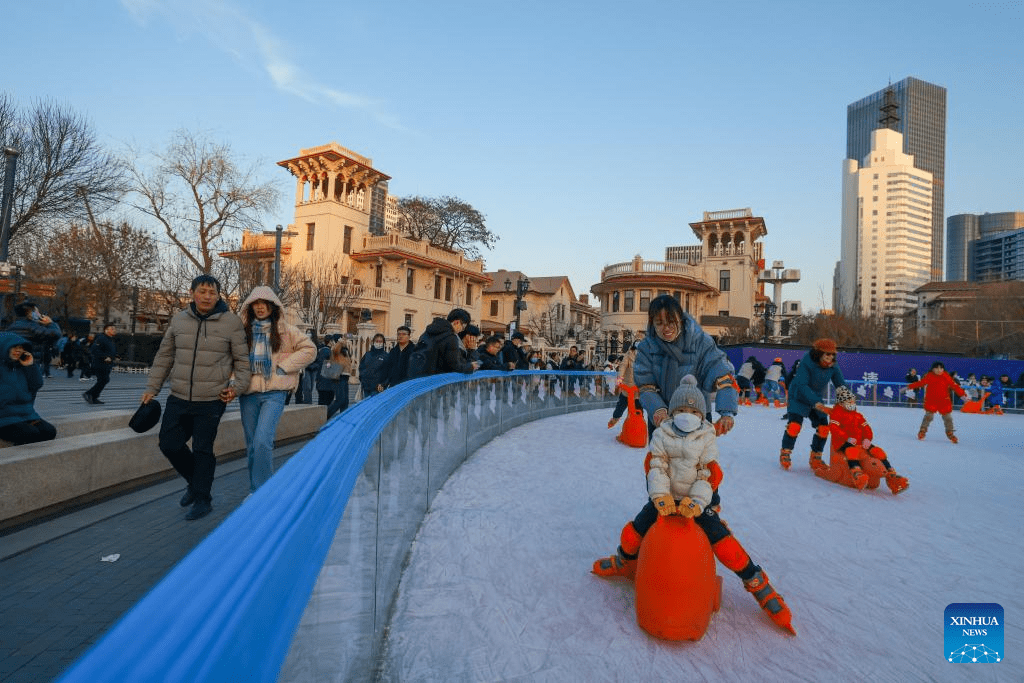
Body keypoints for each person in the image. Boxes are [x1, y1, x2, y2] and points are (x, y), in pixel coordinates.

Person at [594, 375, 793, 634]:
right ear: (673, 412)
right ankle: (623, 560)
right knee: (635, 530)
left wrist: (697, 503)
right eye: (681, 410)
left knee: (722, 539)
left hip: (695, 500)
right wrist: (660, 496)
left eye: (692, 411)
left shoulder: (707, 437)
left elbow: (707, 474)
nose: (686, 415)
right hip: (665, 498)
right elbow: (656, 466)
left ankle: (756, 581)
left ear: (700, 414)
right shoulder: (663, 434)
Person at [594, 295, 738, 569]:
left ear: (680, 319)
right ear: (652, 324)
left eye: (670, 321)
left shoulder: (700, 342)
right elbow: (645, 385)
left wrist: (727, 411)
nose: (666, 328)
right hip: (662, 421)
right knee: (661, 468)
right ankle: (658, 513)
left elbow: (720, 373)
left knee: (702, 468)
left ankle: (708, 513)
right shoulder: (648, 348)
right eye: (659, 323)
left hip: (697, 417)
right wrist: (658, 410)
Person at [141, 274, 251, 521]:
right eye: (202, 291)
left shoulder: (231, 322)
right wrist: (152, 388)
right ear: (192, 293)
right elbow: (164, 357)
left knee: (202, 449)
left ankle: (203, 499)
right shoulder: (179, 320)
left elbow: (242, 361)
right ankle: (195, 482)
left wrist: (237, 387)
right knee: (168, 444)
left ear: (218, 295)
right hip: (178, 396)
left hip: (212, 399)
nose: (207, 296)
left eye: (212, 293)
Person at [238, 286, 316, 494]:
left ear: (272, 307)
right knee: (252, 446)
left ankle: (264, 492)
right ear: (250, 306)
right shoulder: (242, 332)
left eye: (264, 303)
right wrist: (233, 381)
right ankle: (256, 489)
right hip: (248, 393)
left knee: (263, 441)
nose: (260, 307)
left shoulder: (286, 330)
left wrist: (283, 367)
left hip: (275, 392)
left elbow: (310, 349)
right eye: (256, 303)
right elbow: (232, 359)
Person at [779, 338, 847, 472]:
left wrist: (847, 400)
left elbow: (840, 384)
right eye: (827, 354)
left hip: (816, 397)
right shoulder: (807, 362)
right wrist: (817, 404)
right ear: (818, 353)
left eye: (833, 354)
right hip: (798, 395)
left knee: (824, 428)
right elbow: (802, 385)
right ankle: (785, 452)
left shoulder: (833, 365)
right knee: (794, 426)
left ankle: (816, 457)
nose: (830, 357)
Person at [828, 386, 909, 494]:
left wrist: (867, 439)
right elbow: (834, 428)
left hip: (860, 442)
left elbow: (867, 428)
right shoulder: (837, 415)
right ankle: (857, 474)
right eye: (849, 401)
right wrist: (846, 438)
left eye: (853, 401)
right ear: (842, 403)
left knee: (878, 452)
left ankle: (892, 476)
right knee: (852, 451)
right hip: (843, 442)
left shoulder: (858, 416)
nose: (852, 403)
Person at [0, 332, 57, 445]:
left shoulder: (22, 366)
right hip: (4, 418)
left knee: (50, 432)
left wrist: (30, 366)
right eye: (14, 347)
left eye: (21, 347)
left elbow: (36, 385)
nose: (18, 350)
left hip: (26, 415)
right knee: (31, 433)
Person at [906, 361, 965, 443]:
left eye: (941, 368)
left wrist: (963, 395)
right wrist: (909, 386)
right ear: (932, 369)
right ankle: (922, 431)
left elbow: (954, 386)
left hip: (944, 401)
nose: (939, 370)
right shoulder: (929, 376)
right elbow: (921, 383)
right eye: (936, 368)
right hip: (931, 400)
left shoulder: (946, 376)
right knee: (929, 416)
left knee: (948, 418)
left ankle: (950, 432)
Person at [7, 302, 61, 379]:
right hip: (30, 364)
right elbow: (56, 334)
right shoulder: (33, 326)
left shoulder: (12, 326)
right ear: (29, 313)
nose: (39, 314)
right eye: (36, 312)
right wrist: (51, 323)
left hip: (14, 364)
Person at [418, 308, 480, 375]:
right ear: (457, 322)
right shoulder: (451, 337)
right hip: (439, 380)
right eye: (463, 327)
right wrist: (471, 366)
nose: (462, 330)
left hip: (421, 378)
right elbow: (455, 367)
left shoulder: (427, 333)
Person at [607, 334, 644, 429]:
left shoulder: (646, 355)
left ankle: (639, 425)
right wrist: (620, 377)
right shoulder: (629, 354)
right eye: (637, 342)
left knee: (638, 407)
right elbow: (623, 366)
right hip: (628, 386)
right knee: (621, 404)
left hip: (639, 388)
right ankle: (615, 418)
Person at [83, 323, 117, 405]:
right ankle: (89, 393)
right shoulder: (101, 338)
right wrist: (105, 357)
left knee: (103, 380)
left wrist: (114, 356)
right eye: (112, 328)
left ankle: (94, 397)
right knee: (104, 380)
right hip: (100, 364)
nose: (114, 330)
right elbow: (94, 350)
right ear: (106, 330)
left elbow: (109, 351)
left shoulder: (110, 339)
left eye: (114, 329)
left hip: (107, 364)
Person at [359, 333, 389, 397]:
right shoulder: (368, 354)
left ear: (383, 343)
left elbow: (388, 372)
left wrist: (383, 384)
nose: (378, 343)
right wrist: (362, 379)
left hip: (377, 388)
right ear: (373, 342)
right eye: (377, 341)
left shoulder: (386, 356)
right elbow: (361, 367)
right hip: (366, 387)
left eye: (380, 341)